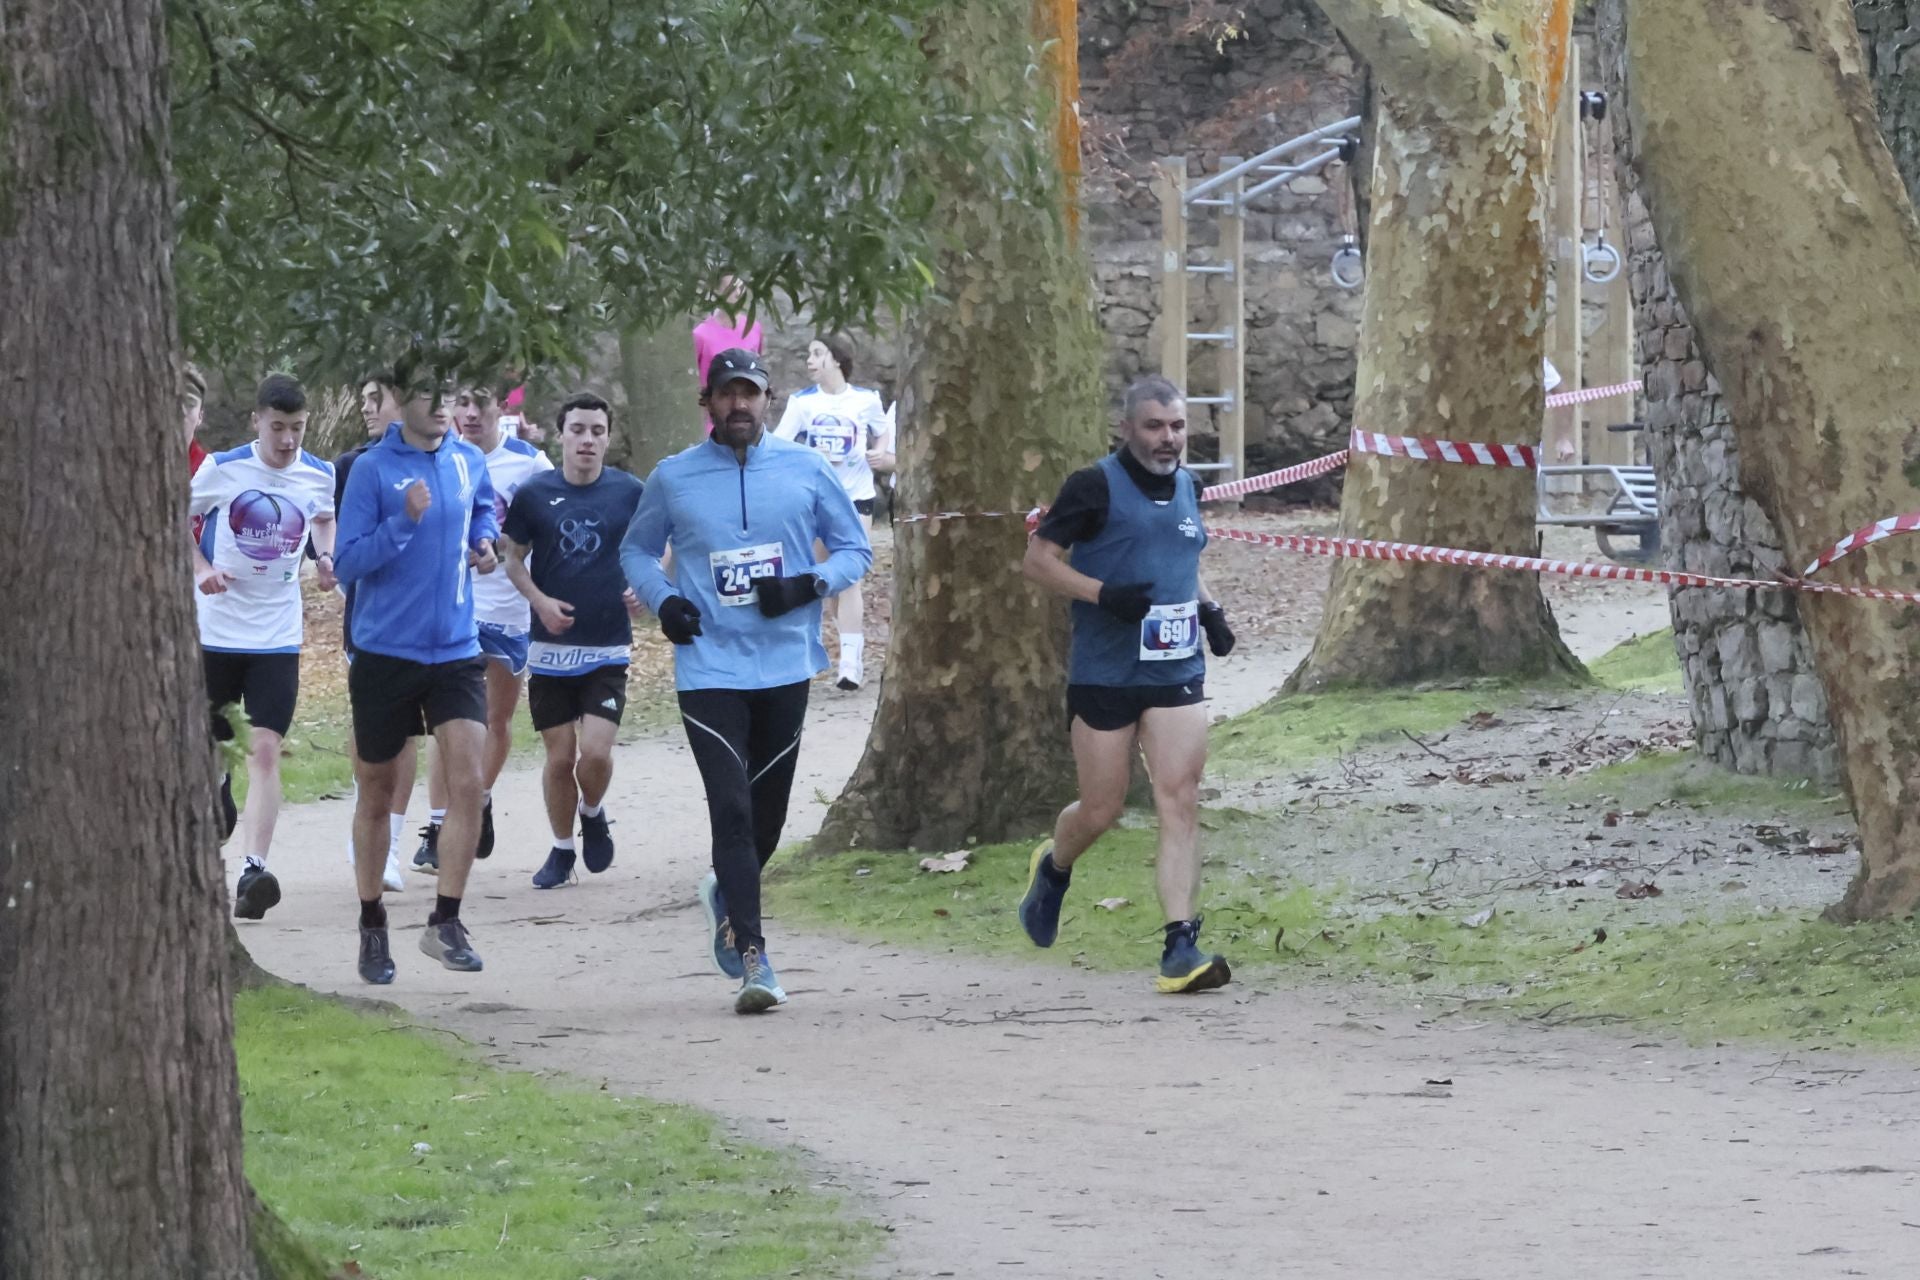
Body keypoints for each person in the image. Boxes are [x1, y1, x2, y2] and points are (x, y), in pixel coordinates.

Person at [621, 348, 871, 1013]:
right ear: (708, 403)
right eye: (727, 395)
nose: (739, 405)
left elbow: (856, 551)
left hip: (785, 663)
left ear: (769, 400)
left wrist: (804, 586)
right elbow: (636, 549)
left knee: (766, 818)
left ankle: (724, 895)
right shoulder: (674, 477)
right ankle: (755, 960)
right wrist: (664, 599)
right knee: (730, 807)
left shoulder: (806, 469)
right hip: (709, 667)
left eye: (750, 394)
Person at [1017, 375, 1238, 994]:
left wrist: (1210, 611)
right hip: (1106, 672)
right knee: (1102, 808)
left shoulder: (1190, 486)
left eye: (1177, 428)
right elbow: (1037, 562)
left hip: (1175, 670)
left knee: (1180, 797)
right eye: (1154, 427)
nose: (1168, 440)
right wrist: (1103, 595)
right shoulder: (1093, 487)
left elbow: (1179, 563)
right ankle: (1054, 867)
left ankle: (1180, 946)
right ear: (1127, 428)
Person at [333, 373, 500, 985]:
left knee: (470, 782)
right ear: (403, 401)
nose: (443, 407)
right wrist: (402, 521)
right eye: (430, 395)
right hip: (385, 652)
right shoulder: (373, 470)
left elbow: (483, 507)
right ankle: (372, 924)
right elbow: (348, 562)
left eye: (453, 394)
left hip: (455, 649)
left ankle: (446, 921)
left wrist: (483, 540)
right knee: (377, 791)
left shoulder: (466, 460)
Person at [189, 374, 337, 920]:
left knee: (267, 748)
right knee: (211, 750)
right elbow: (174, 516)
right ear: (257, 421)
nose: (288, 440)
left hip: (277, 636)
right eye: (278, 428)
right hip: (217, 632)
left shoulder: (319, 474)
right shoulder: (224, 469)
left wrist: (325, 557)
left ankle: (254, 871)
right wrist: (201, 568)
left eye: (297, 428)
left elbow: (324, 517)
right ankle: (219, 793)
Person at [501, 393, 646, 889]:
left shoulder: (629, 491)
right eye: (578, 429)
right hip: (549, 649)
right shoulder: (533, 493)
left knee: (597, 755)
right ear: (561, 434)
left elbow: (658, 547)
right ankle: (562, 851)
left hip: (607, 645)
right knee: (560, 758)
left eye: (597, 431)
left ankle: (593, 809)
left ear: (608, 437)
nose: (587, 439)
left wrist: (643, 586)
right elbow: (513, 559)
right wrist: (539, 601)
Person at [413, 385, 552, 872]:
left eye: (481, 405)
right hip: (455, 607)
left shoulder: (531, 464)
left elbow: (552, 527)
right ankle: (437, 824)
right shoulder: (438, 456)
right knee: (445, 722)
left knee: (495, 720)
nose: (470, 415)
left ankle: (481, 797)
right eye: (462, 405)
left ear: (502, 407)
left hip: (510, 609)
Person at [333, 370, 420, 894]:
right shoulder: (353, 467)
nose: (366, 407)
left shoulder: (441, 462)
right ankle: (369, 821)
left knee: (409, 733)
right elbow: (347, 551)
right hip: (368, 624)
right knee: (374, 737)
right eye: (363, 397)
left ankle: (391, 843)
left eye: (375, 398)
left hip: (427, 626)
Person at [771, 333, 894, 689]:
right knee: (827, 581)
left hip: (856, 499)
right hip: (815, 504)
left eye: (817, 354)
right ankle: (833, 651)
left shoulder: (866, 400)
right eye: (808, 354)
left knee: (851, 575)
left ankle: (851, 665)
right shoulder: (801, 403)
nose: (809, 361)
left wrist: (878, 452)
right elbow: (779, 445)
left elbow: (882, 431)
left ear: (836, 359)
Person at [691, 275, 763, 429]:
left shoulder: (754, 328)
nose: (738, 293)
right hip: (715, 421)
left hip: (747, 417)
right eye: (731, 287)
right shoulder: (701, 334)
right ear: (717, 292)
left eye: (741, 287)